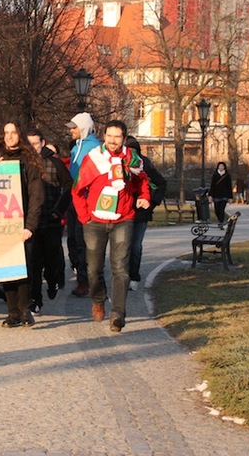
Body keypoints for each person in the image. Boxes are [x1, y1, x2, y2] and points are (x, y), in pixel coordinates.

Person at [73, 120, 150, 333]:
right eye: (109, 136)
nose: (113, 140)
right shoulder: (94, 159)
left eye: (117, 137)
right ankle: (98, 299)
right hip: (95, 221)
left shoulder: (132, 159)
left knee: (120, 268)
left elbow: (143, 181)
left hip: (123, 219)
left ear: (124, 139)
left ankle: (118, 313)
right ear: (104, 136)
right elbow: (77, 189)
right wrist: (84, 217)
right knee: (93, 269)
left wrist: (144, 197)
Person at [0, 120, 45, 327]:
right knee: (7, 269)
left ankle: (25, 309)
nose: (9, 136)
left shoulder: (29, 160)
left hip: (22, 222)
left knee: (24, 269)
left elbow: (36, 194)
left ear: (20, 135)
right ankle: (12, 312)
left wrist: (30, 225)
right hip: (1, 223)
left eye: (13, 132)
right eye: (6, 132)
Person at [27, 129, 72, 314]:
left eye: (35, 144)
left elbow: (69, 186)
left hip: (51, 220)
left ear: (42, 143)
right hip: (32, 222)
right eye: (29, 145)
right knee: (34, 262)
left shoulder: (54, 163)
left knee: (52, 260)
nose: (32, 148)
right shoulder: (22, 164)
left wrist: (59, 209)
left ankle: (53, 280)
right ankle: (35, 300)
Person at [124, 136, 166, 290]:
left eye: (134, 151)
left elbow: (161, 183)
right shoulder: (120, 163)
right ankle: (123, 276)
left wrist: (153, 203)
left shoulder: (145, 164)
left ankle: (134, 276)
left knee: (135, 246)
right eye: (129, 151)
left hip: (141, 213)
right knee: (122, 246)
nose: (132, 154)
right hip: (123, 211)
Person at [66, 112, 100, 298]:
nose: (71, 130)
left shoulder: (95, 148)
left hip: (87, 203)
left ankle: (85, 282)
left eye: (74, 127)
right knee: (72, 239)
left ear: (84, 128)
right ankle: (81, 274)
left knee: (83, 243)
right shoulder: (75, 148)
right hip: (73, 200)